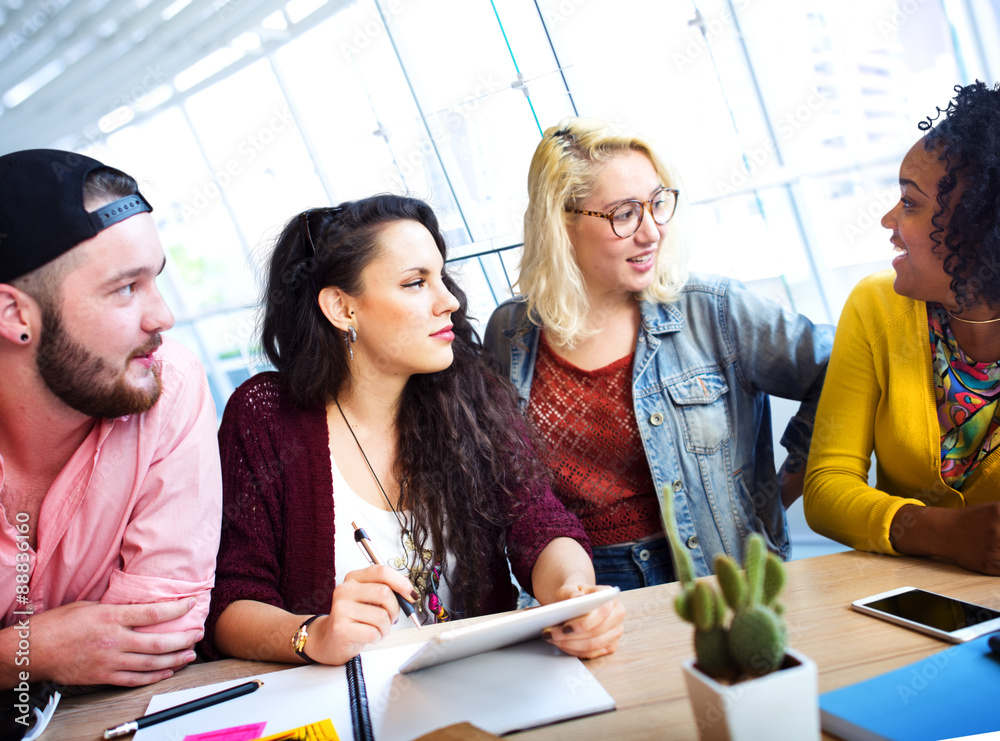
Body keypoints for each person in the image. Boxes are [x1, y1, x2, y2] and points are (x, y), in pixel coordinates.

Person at [202, 195, 624, 667]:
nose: (450, 301)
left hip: (483, 684)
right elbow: (231, 601)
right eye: (416, 282)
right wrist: (313, 634)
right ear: (342, 308)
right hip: (346, 703)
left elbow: (540, 526)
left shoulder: (469, 389)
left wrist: (573, 592)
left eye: (441, 277)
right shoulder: (264, 417)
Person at [484, 118, 833, 585]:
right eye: (625, 214)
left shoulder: (715, 311)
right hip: (586, 585)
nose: (652, 233)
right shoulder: (510, 333)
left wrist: (781, 489)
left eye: (658, 204)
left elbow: (839, 366)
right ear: (562, 222)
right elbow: (512, 483)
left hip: (718, 575)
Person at [0, 149, 222, 689]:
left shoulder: (168, 383)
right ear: (15, 316)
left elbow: (159, 637)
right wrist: (29, 652)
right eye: (126, 288)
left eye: (156, 280)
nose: (163, 317)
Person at [804, 81, 1000, 576]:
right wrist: (943, 533)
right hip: (920, 606)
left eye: (910, 204)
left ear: (979, 228)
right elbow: (827, 485)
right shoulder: (877, 306)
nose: (889, 219)